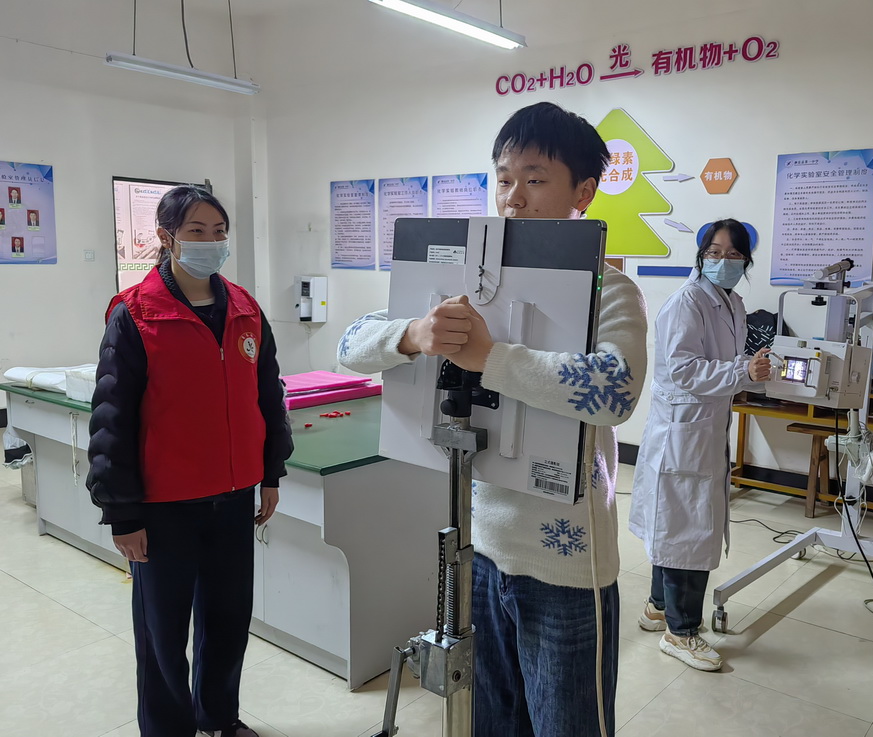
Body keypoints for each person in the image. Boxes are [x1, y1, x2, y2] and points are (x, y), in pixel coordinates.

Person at [337, 102, 647, 737]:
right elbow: (350, 345)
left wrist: (492, 358)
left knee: (567, 724)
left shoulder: (609, 290)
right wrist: (413, 334)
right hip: (480, 546)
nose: (513, 198)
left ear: (583, 193)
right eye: (504, 179)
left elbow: (614, 391)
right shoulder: (469, 280)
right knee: (491, 720)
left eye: (535, 179)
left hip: (567, 563)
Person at [87, 185, 294, 737]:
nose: (211, 242)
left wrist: (271, 472)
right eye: (196, 231)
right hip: (164, 506)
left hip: (233, 497)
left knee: (228, 620)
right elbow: (111, 419)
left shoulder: (245, 309)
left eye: (219, 232)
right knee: (162, 633)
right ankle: (167, 728)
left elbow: (268, 396)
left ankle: (218, 718)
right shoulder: (135, 314)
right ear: (166, 237)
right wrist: (122, 513)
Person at [629, 218, 771, 672]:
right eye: (714, 252)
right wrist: (742, 372)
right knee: (687, 532)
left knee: (678, 526)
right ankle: (681, 632)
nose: (722, 261)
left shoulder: (733, 303)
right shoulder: (687, 302)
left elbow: (727, 364)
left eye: (733, 254)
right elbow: (684, 370)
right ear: (701, 255)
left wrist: (752, 371)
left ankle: (658, 608)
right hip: (683, 432)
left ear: (745, 261)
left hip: (704, 428)